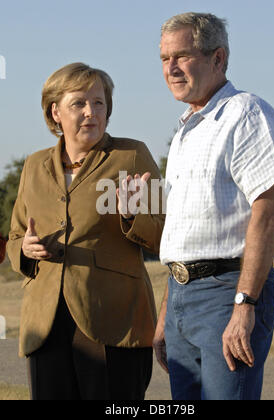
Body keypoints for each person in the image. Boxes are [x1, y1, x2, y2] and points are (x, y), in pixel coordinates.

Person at [153, 12, 274, 400]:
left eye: (182, 56)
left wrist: (245, 305)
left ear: (218, 58)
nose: (171, 68)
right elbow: (185, 231)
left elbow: (269, 211)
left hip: (228, 293)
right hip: (182, 296)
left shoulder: (247, 114)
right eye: (164, 59)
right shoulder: (185, 131)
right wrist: (168, 313)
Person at [7, 62, 164, 400]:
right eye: (78, 103)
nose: (91, 112)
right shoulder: (34, 165)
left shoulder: (132, 155)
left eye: (99, 103)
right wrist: (25, 249)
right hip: (45, 324)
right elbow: (16, 235)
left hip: (113, 320)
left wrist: (131, 216)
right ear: (55, 111)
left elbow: (164, 233)